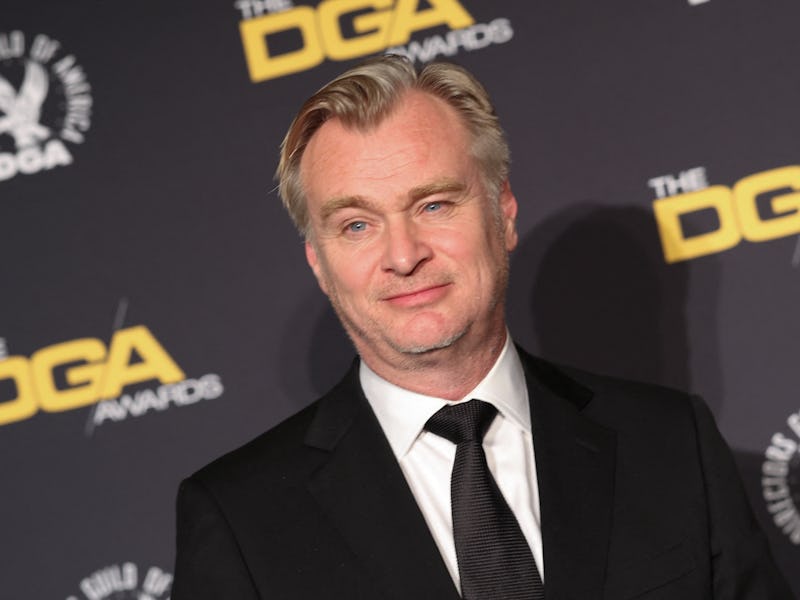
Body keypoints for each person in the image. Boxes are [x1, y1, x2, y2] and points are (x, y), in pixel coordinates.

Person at [173, 55, 792, 599]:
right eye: (357, 224)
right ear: (319, 263)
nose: (403, 254)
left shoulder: (670, 444)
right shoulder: (240, 519)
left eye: (433, 205)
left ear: (503, 213)